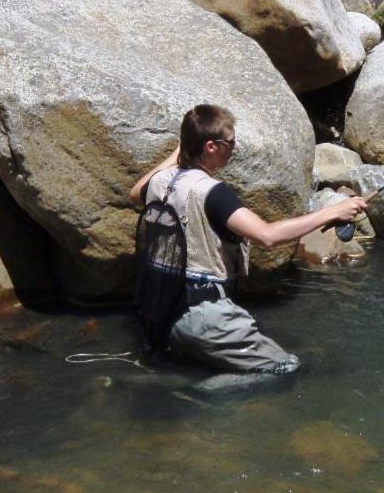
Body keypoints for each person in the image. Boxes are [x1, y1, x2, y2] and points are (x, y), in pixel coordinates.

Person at [128, 104, 367, 374]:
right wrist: (333, 211)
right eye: (230, 142)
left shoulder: (160, 181)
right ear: (210, 147)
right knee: (285, 369)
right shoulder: (212, 193)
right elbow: (267, 236)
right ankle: (206, 393)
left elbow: (135, 194)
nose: (234, 147)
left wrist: (179, 153)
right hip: (202, 315)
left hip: (160, 310)